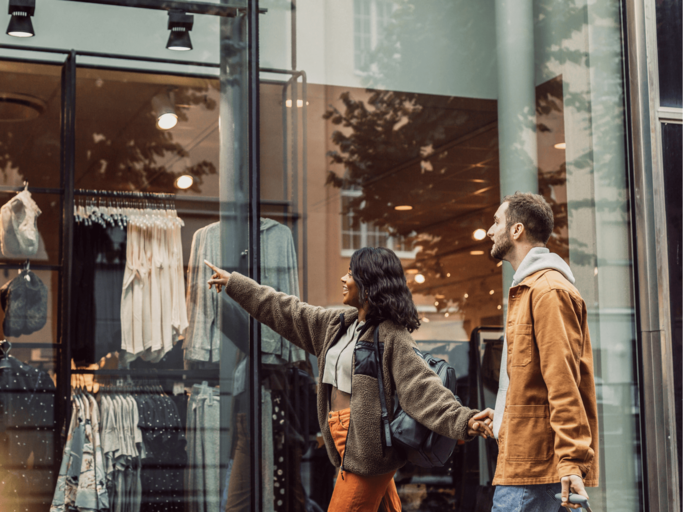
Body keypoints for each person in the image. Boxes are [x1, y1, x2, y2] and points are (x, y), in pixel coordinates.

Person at [205, 247, 494, 512]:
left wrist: (465, 420)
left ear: (370, 284)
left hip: (367, 451)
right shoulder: (338, 324)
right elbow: (285, 310)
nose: (344, 279)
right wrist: (235, 283)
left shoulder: (392, 335)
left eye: (351, 274)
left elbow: (422, 387)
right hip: (343, 443)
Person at [486, 192, 599, 511]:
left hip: (534, 467)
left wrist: (571, 462)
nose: (490, 231)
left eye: (497, 221)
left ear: (516, 230)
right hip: (524, 458)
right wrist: (503, 418)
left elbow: (563, 382)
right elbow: (531, 381)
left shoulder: (548, 291)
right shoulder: (529, 289)